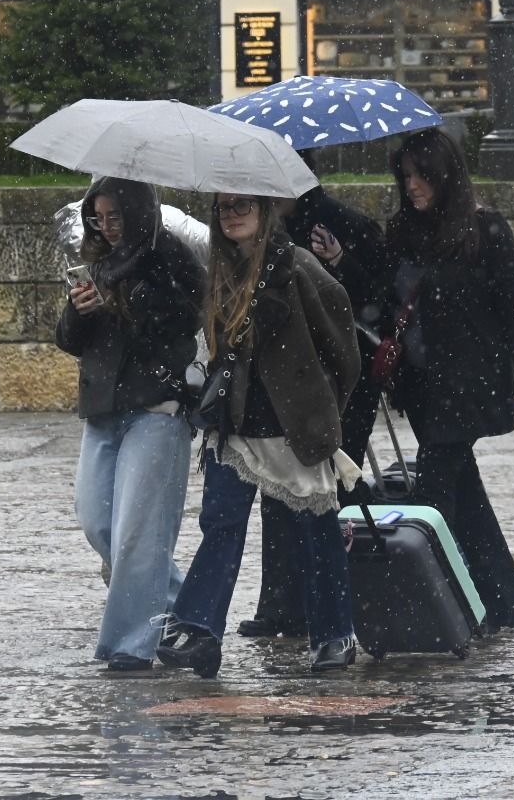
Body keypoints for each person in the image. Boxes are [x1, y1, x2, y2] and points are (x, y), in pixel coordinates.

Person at [156, 193, 363, 678]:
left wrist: (320, 405)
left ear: (264, 211)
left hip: (294, 427)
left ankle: (334, 635)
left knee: (316, 532)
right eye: (224, 207)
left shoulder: (301, 268)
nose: (231, 215)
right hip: (235, 425)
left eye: (242, 206)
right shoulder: (218, 271)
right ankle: (200, 632)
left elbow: (343, 349)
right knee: (221, 525)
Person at [385, 128, 514, 631]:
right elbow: (384, 295)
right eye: (406, 176)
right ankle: (501, 602)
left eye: (422, 175)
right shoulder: (401, 232)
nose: (413, 186)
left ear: (445, 175)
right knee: (463, 491)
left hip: (472, 382)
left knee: (437, 492)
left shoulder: (485, 229)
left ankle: (447, 603)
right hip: (424, 383)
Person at [236, 156, 389, 640]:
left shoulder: (343, 224)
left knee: (323, 492)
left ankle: (323, 610)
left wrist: (340, 263)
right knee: (278, 491)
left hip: (334, 387)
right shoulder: (256, 232)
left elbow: (376, 300)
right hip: (281, 387)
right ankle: (283, 604)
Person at [55, 177, 204, 672]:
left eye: (115, 216)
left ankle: (128, 646)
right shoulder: (96, 263)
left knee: (138, 532)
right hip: (102, 410)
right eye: (97, 217)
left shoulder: (171, 257)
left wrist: (127, 302)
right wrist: (80, 312)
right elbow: (70, 340)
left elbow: (186, 320)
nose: (106, 227)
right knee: (99, 522)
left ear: (137, 211)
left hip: (156, 408)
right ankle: (184, 611)